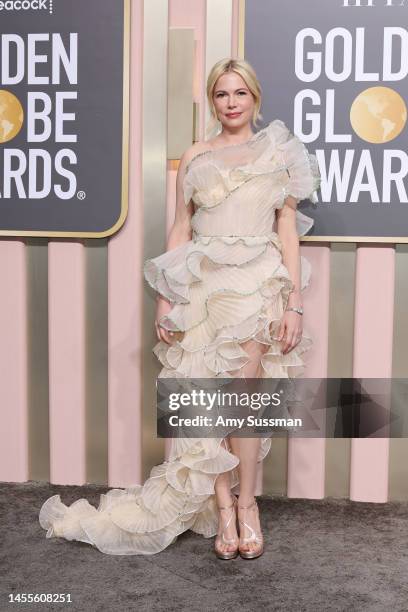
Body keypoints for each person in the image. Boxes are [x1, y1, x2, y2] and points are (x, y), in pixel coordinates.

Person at [39, 58, 321, 560]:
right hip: (202, 287)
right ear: (211, 100)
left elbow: (287, 230)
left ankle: (248, 504)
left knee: (243, 402)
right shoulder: (196, 154)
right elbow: (180, 230)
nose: (231, 103)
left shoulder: (280, 153)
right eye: (221, 94)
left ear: (255, 97)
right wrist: (167, 298)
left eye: (240, 93)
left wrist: (294, 303)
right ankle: (223, 510)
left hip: (257, 284)